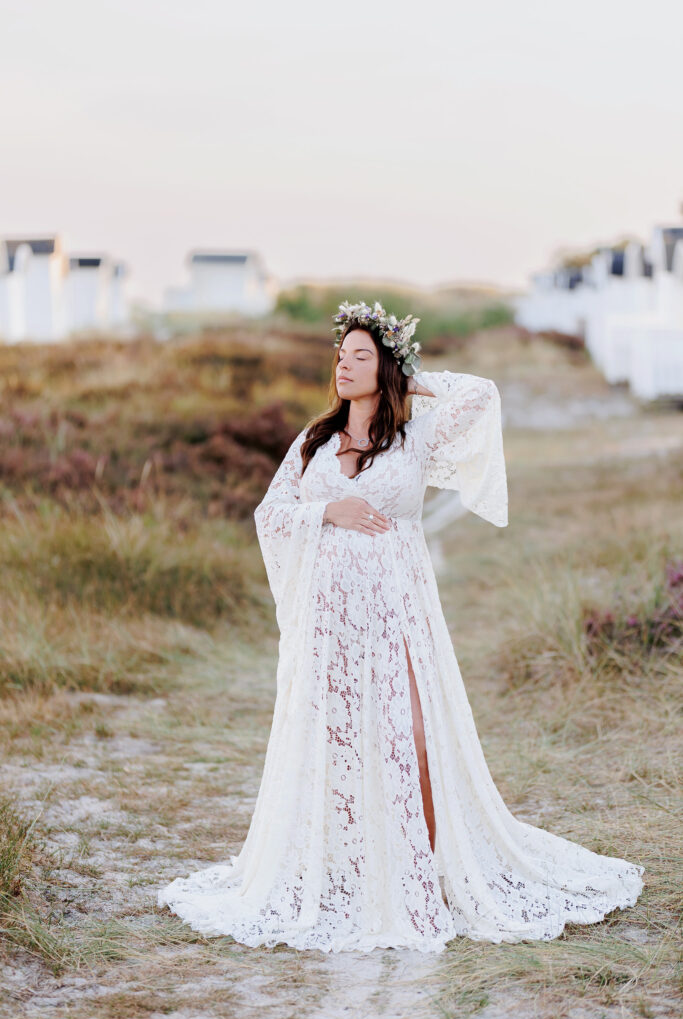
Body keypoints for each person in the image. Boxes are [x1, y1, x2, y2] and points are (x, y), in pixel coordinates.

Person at [158, 299, 644, 953]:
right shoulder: (315, 441)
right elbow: (270, 515)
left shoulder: (415, 439)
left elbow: (480, 397)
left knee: (412, 734)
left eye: (361, 356)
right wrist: (329, 511)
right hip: (329, 619)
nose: (344, 365)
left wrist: (409, 376)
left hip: (396, 615)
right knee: (337, 741)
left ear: (385, 368)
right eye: (340, 355)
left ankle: (426, 874)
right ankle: (354, 873)